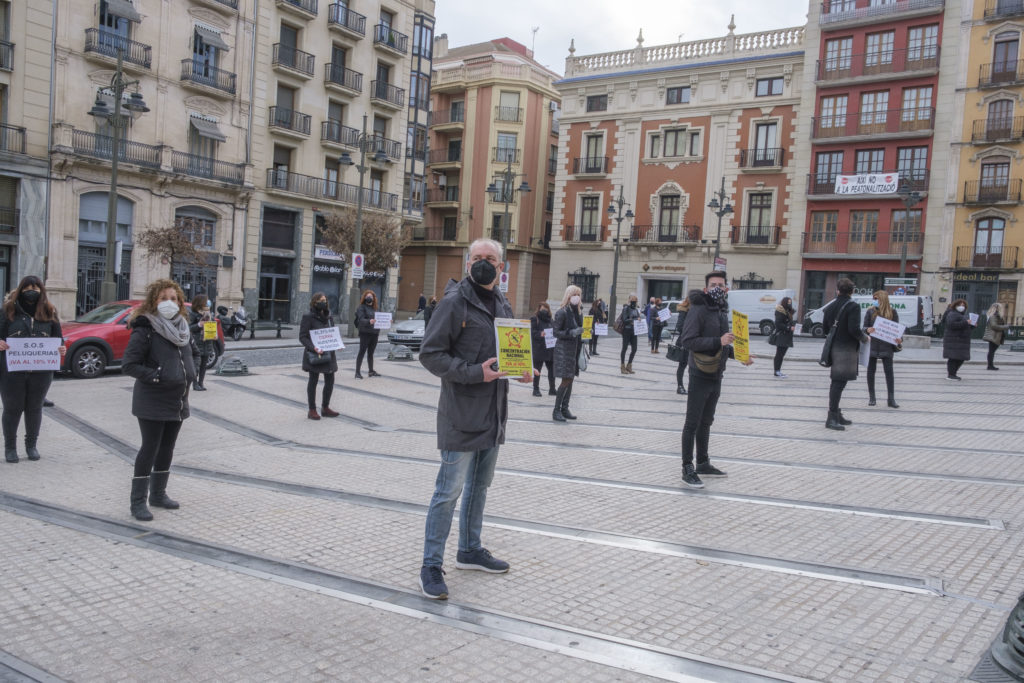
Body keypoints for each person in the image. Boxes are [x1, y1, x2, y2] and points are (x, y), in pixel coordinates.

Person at [418, 238, 534, 600]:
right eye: (478, 258)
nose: (484, 263)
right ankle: (430, 565)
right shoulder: (454, 302)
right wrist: (473, 373)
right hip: (461, 414)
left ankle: (470, 549)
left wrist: (521, 369)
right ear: (468, 263)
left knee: (479, 488)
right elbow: (430, 354)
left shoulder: (501, 301)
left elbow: (504, 351)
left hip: (493, 412)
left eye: (491, 259)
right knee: (447, 493)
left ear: (502, 267)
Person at [121, 279, 200, 521]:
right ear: (154, 301)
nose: (169, 303)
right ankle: (137, 502)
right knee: (150, 448)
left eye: (173, 298)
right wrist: (155, 375)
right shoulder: (145, 328)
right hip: (152, 399)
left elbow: (195, 353)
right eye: (163, 298)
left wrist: (191, 372)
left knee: (167, 448)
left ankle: (158, 493)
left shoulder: (183, 328)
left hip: (178, 400)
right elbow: (129, 365)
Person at [679, 272, 752, 488]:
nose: (717, 288)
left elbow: (723, 345)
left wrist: (740, 356)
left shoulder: (721, 310)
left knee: (706, 421)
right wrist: (717, 340)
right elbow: (688, 341)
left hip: (716, 373)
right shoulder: (698, 309)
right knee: (692, 422)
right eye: (713, 285)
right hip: (699, 373)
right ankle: (687, 467)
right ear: (706, 288)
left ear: (726, 289)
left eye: (721, 285)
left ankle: (703, 462)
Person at [0, 276, 66, 463]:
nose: (31, 291)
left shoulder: (49, 311)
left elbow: (58, 338)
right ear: (21, 289)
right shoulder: (8, 310)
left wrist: (61, 348)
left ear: (41, 290)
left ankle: (31, 446)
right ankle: (10, 448)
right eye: (28, 287)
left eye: (35, 287)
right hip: (12, 371)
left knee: (34, 409)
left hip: (41, 372)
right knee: (12, 409)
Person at [822, 278, 868, 430]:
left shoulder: (830, 307)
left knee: (838, 383)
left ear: (838, 290)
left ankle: (836, 413)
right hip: (846, 349)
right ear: (852, 291)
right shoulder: (853, 306)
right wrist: (864, 338)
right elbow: (853, 329)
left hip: (834, 347)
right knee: (838, 383)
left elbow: (824, 330)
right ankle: (832, 417)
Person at [299, 293, 340, 420]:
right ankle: (312, 410)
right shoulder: (308, 317)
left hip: (328, 353)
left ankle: (325, 407)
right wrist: (313, 347)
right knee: (313, 381)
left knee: (330, 381)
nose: (324, 302)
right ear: (314, 302)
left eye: (325, 300)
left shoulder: (329, 317)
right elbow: (302, 337)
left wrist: (337, 343)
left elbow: (332, 333)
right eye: (321, 300)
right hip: (315, 354)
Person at [863, 290, 902, 408]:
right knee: (871, 372)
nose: (875, 301)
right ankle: (872, 397)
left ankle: (891, 399)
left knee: (889, 373)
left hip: (887, 346)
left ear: (883, 299)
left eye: (877, 299)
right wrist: (867, 330)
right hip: (873, 346)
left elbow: (896, 329)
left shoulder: (892, 312)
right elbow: (864, 327)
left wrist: (899, 339)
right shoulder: (870, 311)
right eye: (873, 299)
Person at [552, 285, 584, 422]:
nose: (577, 297)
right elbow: (556, 332)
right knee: (566, 380)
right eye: (574, 294)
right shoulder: (562, 312)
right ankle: (556, 410)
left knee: (570, 379)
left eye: (578, 294)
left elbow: (579, 329)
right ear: (568, 296)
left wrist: (585, 333)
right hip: (564, 350)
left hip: (574, 350)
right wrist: (571, 333)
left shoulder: (577, 311)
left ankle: (565, 408)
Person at [942, 299, 974, 380]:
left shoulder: (961, 315)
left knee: (960, 358)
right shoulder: (952, 314)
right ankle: (951, 374)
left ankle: (953, 374)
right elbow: (951, 325)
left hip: (960, 340)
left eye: (963, 305)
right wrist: (966, 323)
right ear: (955, 306)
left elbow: (964, 326)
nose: (962, 307)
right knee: (953, 358)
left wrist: (972, 325)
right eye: (960, 305)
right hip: (954, 339)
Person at [530, 302, 555, 398]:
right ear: (539, 309)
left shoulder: (551, 320)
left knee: (552, 370)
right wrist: (541, 334)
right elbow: (532, 332)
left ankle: (552, 389)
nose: (545, 310)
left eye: (546, 309)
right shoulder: (534, 319)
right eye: (543, 309)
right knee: (537, 370)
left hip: (550, 348)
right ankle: (535, 389)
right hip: (539, 348)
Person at [354, 289, 381, 379]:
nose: (369, 298)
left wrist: (388, 321)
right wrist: (369, 321)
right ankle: (357, 372)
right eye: (367, 296)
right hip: (365, 333)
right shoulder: (361, 308)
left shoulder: (375, 308)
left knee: (371, 353)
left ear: (374, 298)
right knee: (362, 352)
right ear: (364, 297)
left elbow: (380, 319)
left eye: (371, 296)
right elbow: (361, 320)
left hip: (374, 333)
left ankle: (371, 371)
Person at [188, 295, 212, 391]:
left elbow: (212, 325)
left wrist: (214, 334)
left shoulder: (208, 314)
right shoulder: (193, 314)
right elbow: (189, 328)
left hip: (207, 341)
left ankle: (201, 382)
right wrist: (199, 324)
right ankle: (194, 383)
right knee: (196, 364)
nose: (207, 304)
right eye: (205, 302)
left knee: (204, 365)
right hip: (197, 342)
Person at [772, 297, 796, 378]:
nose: (790, 304)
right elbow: (778, 324)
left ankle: (778, 370)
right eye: (788, 302)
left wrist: (794, 326)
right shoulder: (780, 311)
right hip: (782, 335)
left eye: (791, 302)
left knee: (781, 354)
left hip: (786, 335)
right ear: (785, 302)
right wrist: (788, 328)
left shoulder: (788, 311)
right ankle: (777, 371)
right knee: (779, 354)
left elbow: (789, 322)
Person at [618, 293, 641, 374]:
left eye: (635, 301)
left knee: (634, 349)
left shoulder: (636, 309)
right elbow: (624, 320)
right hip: (627, 330)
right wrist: (632, 321)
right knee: (624, 348)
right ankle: (622, 366)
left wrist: (638, 320)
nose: (634, 302)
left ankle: (629, 365)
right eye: (633, 301)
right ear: (629, 300)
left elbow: (638, 318)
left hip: (634, 331)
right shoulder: (626, 308)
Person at [983, 302, 1009, 371]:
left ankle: (990, 365)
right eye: (1001, 308)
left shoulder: (996, 316)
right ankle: (990, 366)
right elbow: (994, 326)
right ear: (997, 308)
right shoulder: (993, 316)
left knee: (992, 351)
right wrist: (1005, 327)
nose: (1002, 309)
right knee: (991, 351)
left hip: (996, 335)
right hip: (993, 335)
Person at [672, 298, 690, 394]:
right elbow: (679, 327)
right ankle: (680, 386)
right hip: (684, 341)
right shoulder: (683, 311)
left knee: (693, 366)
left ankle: (692, 387)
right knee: (682, 365)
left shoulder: (695, 311)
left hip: (694, 342)